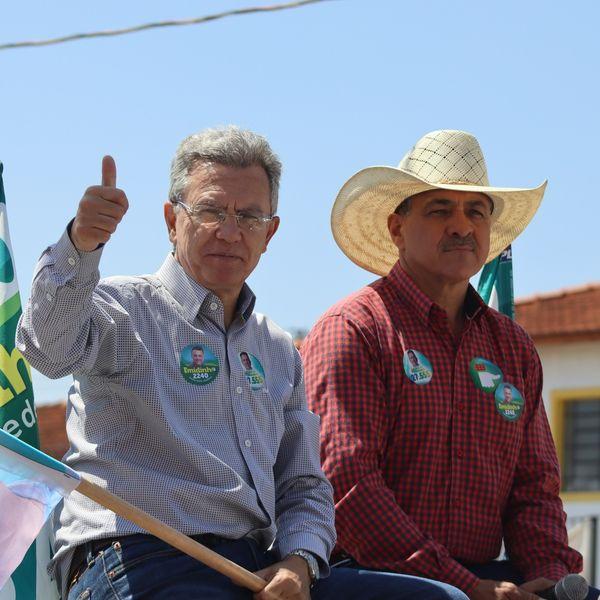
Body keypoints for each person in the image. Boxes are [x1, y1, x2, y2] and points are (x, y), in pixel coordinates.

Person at [17, 127, 468, 600]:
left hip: (257, 567)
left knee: (443, 599)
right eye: (210, 211)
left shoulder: (277, 351)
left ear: (270, 233)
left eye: (249, 216)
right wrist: (81, 245)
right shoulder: (122, 308)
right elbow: (46, 349)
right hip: (137, 559)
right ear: (172, 220)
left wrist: (300, 562)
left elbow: (304, 486)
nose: (229, 232)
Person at [301, 130, 598, 600]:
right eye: (440, 209)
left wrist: (549, 575)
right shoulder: (356, 328)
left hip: (480, 576)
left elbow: (535, 488)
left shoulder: (513, 347)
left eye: (475, 212)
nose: (461, 226)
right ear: (397, 228)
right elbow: (349, 487)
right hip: (365, 572)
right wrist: (466, 585)